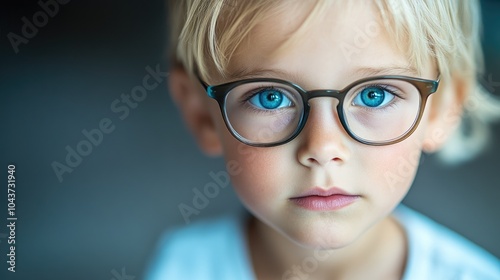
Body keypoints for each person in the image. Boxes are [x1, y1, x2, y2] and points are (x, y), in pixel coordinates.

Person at [146, 0, 500, 279]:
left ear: (441, 109)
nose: (323, 147)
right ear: (202, 116)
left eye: (374, 95)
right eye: (270, 97)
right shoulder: (181, 267)